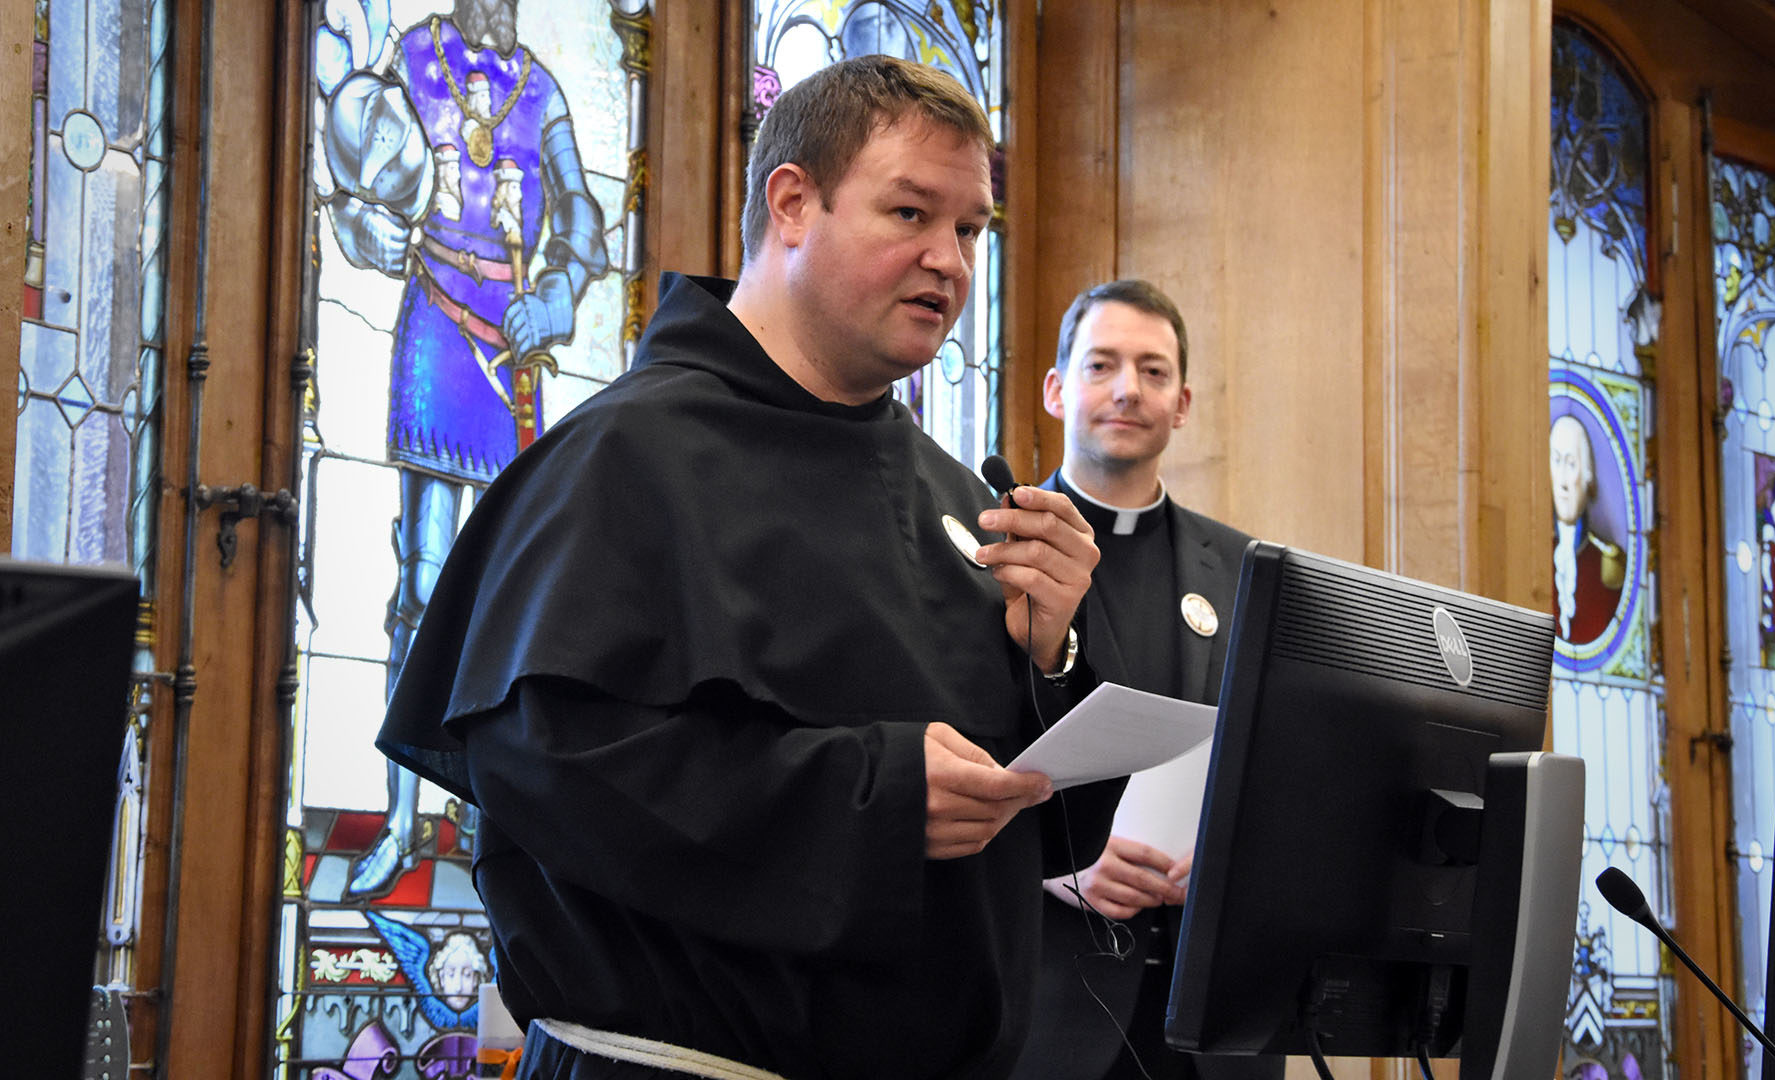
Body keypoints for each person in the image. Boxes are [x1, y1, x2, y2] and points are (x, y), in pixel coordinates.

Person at [376, 55, 1121, 1079]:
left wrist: (1055, 659)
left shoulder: (962, 499)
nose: (948, 260)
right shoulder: (628, 454)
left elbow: (1051, 842)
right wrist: (873, 796)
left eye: (971, 229)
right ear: (793, 204)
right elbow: (550, 761)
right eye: (910, 213)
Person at [316, 0, 612, 897]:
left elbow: (585, 225)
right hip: (437, 335)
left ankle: (492, 828)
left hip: (508, 347)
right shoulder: (413, 58)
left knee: (507, 602)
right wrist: (368, 221)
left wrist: (556, 299)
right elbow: (368, 184)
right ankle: (403, 822)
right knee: (420, 583)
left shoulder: (543, 92)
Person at [1011, 281, 1278, 1080]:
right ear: (1058, 390)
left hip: (1213, 1013)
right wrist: (1062, 864)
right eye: (1103, 365)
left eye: (1154, 371)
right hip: (1047, 1004)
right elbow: (956, 750)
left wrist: (1240, 856)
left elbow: (1287, 765)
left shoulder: (1249, 570)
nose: (1129, 388)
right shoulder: (996, 547)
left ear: (1183, 403)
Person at [1548, 413, 1624, 645]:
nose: (1562, 481)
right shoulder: (1530, 557)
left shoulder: (1610, 563)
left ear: (1588, 474)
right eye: (1556, 461)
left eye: (1571, 464)